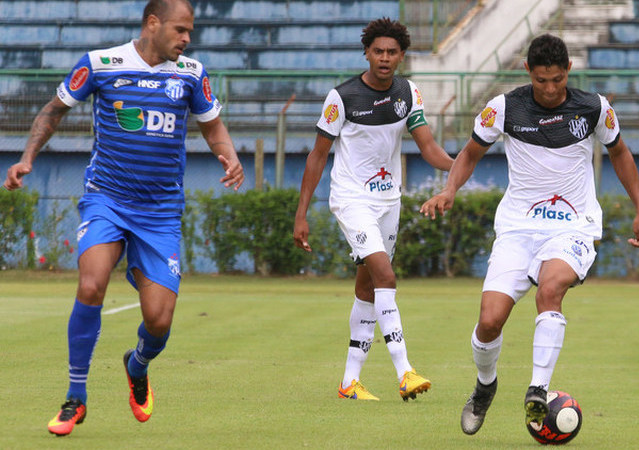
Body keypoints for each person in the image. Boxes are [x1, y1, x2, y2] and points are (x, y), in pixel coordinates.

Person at [3, 0, 244, 436]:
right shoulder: (101, 64)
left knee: (159, 320)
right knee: (91, 282)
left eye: (190, 31)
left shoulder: (191, 73)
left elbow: (213, 126)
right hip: (107, 200)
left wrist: (229, 158)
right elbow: (52, 111)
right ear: (153, 24)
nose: (187, 38)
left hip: (161, 212)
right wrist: (26, 159)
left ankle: (137, 365)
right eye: (180, 29)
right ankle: (76, 397)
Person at [420, 34, 639, 433]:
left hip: (572, 226)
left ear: (569, 73)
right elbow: (470, 154)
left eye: (557, 80)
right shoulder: (504, 108)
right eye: (542, 80)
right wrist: (449, 189)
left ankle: (537, 392)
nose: (549, 88)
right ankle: (485, 388)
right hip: (517, 228)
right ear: (527, 71)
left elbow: (620, 153)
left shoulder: (594, 108)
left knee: (550, 289)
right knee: (490, 322)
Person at [293, 18, 454, 401]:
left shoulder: (409, 94)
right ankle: (405, 371)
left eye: (391, 52)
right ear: (367, 53)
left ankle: (349, 381)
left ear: (402, 56)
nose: (384, 58)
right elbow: (317, 158)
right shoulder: (342, 97)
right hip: (352, 200)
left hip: (388, 202)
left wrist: (462, 164)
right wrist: (301, 215)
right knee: (386, 276)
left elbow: (429, 149)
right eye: (377, 51)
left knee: (367, 287)